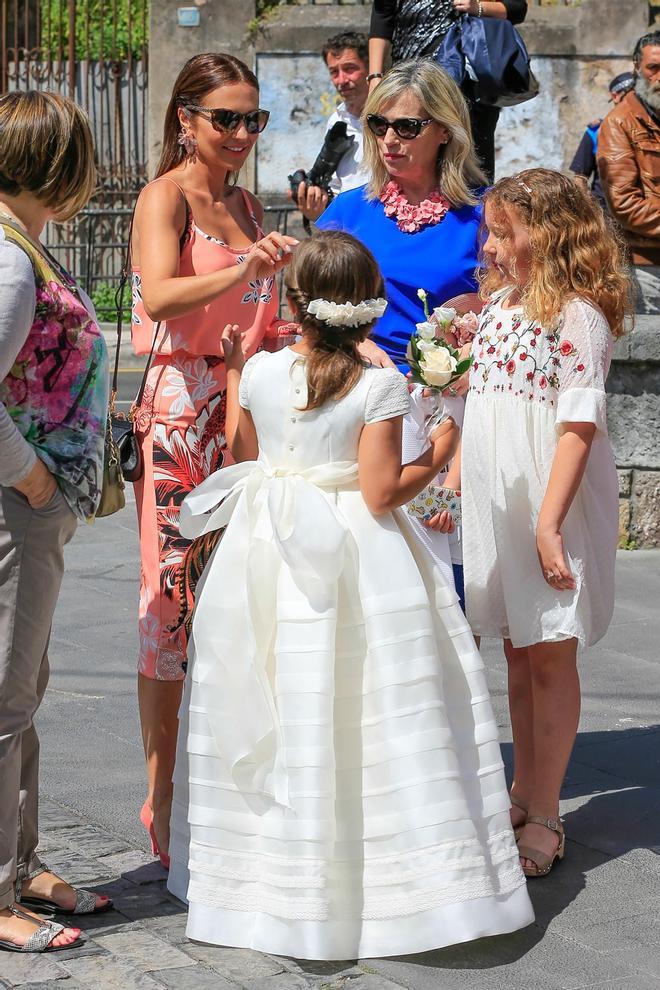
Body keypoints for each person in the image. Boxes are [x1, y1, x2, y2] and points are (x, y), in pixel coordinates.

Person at [167, 230, 534, 958]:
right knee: (368, 708)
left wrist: (240, 373)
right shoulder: (380, 385)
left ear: (295, 303)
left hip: (262, 547)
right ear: (369, 306)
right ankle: (389, 892)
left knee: (278, 693)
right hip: (353, 552)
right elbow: (378, 493)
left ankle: (270, 889)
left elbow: (248, 456)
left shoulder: (266, 369)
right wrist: (438, 453)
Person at [130, 52, 299, 868]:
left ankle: (222, 785)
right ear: (185, 119)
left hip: (242, 400)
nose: (240, 134)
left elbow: (257, 313)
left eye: (252, 119)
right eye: (225, 118)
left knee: (239, 596)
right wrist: (244, 265)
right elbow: (157, 296)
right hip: (176, 409)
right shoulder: (165, 196)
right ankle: (159, 790)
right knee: (171, 600)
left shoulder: (246, 203)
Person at [458, 168, 632, 877]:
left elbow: (577, 423)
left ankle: (549, 810)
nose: (493, 246)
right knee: (518, 648)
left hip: (547, 495)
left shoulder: (577, 315)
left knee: (550, 648)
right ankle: (522, 789)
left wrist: (549, 523)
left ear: (551, 234)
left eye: (506, 232)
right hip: (501, 491)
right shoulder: (502, 304)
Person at [0, 91, 112, 953]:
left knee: (23, 691)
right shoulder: (9, 260)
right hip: (14, 505)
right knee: (5, 699)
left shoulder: (22, 242)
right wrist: (33, 476)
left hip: (29, 505)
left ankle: (22, 863)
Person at [318, 59, 486, 368]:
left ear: (445, 131)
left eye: (407, 127)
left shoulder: (486, 214)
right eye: (380, 125)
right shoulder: (347, 210)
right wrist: (356, 343)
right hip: (361, 380)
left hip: (458, 392)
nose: (389, 140)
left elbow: (514, 311)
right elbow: (311, 304)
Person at [368, 0, 528, 180]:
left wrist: (478, 7)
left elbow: (517, 8)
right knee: (407, 156)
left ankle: (471, 207)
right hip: (409, 82)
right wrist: (375, 76)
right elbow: (382, 18)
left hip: (465, 87)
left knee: (469, 168)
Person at [597, 31, 660, 311]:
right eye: (653, 68)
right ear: (637, 67)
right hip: (648, 266)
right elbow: (623, 204)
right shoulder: (619, 122)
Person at [295, 31, 370, 223]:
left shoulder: (392, 116)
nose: (341, 81)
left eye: (350, 69)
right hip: (349, 227)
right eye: (334, 72)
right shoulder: (337, 120)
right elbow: (338, 183)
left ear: (371, 67)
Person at [569, 72, 634, 208]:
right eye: (632, 95)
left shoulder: (653, 130)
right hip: (607, 216)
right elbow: (580, 179)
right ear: (615, 96)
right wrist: (590, 213)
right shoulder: (596, 132)